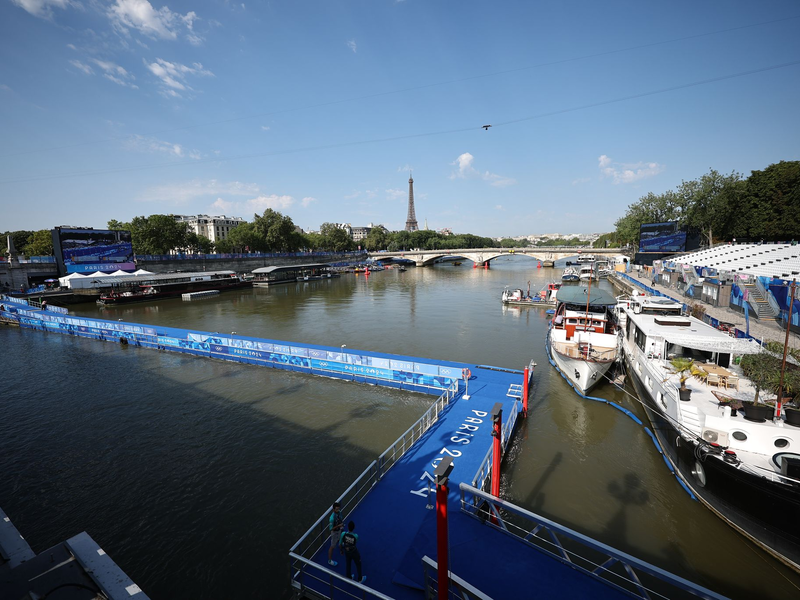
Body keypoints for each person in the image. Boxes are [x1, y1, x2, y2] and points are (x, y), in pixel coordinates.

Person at [327, 502, 344, 566]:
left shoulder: (339, 512)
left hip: (339, 529)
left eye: (338, 509)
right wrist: (338, 526)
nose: (338, 510)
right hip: (334, 532)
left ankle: (340, 543)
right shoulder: (332, 518)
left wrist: (341, 526)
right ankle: (329, 560)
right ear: (333, 509)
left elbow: (340, 519)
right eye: (336, 509)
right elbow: (331, 529)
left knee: (340, 538)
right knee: (332, 546)